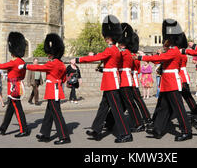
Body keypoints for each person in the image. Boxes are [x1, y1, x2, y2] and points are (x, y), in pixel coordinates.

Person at [71, 15, 133, 143]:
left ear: (110, 37)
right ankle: (96, 130)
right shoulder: (114, 49)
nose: (105, 39)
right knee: (103, 107)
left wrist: (78, 59)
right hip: (109, 81)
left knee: (116, 110)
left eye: (107, 37)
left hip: (111, 82)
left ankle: (126, 134)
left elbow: (96, 57)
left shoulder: (111, 50)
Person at [137, 19, 192, 142]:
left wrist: (141, 57)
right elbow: (158, 60)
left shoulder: (174, 51)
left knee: (179, 109)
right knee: (163, 108)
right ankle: (158, 129)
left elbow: (161, 57)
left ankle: (187, 131)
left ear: (171, 40)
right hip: (166, 83)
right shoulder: (170, 50)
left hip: (172, 82)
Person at [21, 33, 71, 145]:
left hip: (53, 90)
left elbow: (40, 67)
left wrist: (26, 66)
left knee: (57, 114)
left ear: (53, 54)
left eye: (49, 53)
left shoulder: (52, 64)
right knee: (49, 113)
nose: (48, 55)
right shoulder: (61, 64)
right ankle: (45, 133)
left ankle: (64, 136)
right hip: (56, 89)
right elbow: (63, 79)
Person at [0, 32, 30, 137]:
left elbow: (1, 66)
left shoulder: (14, 62)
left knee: (18, 110)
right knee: (10, 109)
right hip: (18, 85)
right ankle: (3, 127)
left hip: (13, 88)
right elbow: (23, 75)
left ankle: (23, 129)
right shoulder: (21, 61)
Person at [116, 23, 145, 132]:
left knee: (130, 103)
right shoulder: (125, 52)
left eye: (119, 42)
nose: (118, 44)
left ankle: (139, 123)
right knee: (127, 103)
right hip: (122, 80)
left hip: (125, 80)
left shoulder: (125, 53)